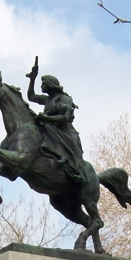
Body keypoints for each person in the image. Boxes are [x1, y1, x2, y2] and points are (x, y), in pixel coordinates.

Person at [25, 57, 91, 186]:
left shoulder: (64, 99)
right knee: (43, 128)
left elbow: (64, 118)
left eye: (43, 83)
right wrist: (32, 79)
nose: (41, 86)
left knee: (47, 127)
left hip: (65, 131)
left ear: (50, 85)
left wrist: (45, 118)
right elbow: (31, 96)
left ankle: (73, 167)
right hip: (52, 128)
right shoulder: (47, 99)